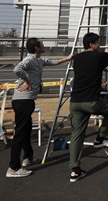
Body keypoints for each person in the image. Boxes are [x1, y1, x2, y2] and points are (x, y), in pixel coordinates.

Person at [7, 38, 71, 178]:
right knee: (20, 133)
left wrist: (68, 58)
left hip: (27, 100)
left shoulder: (39, 60)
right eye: (41, 44)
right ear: (36, 48)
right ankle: (13, 168)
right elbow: (17, 69)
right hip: (22, 100)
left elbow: (52, 62)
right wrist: (28, 81)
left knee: (26, 130)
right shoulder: (29, 60)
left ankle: (28, 157)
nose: (43, 45)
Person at [68, 32, 108, 182]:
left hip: (75, 102)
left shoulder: (77, 58)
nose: (99, 45)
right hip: (91, 101)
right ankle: (100, 137)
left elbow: (94, 65)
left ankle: (75, 170)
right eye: (97, 43)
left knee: (77, 135)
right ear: (91, 44)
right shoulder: (99, 57)